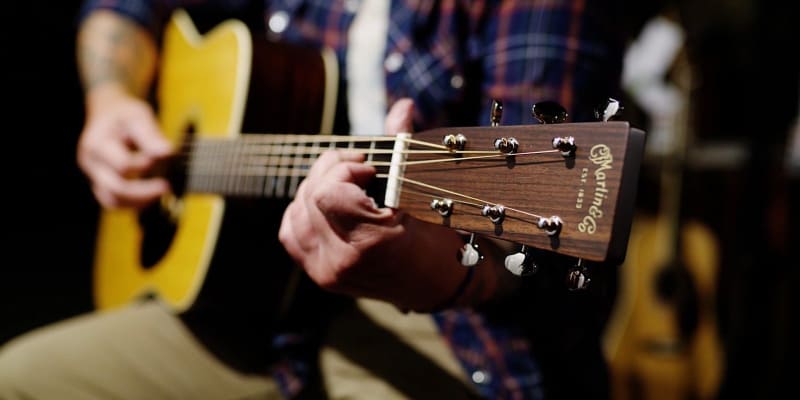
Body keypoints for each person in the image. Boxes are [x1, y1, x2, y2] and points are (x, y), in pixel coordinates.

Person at [0, 1, 629, 399]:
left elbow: (533, 256)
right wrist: (111, 98)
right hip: (253, 306)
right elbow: (126, 7)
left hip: (449, 335)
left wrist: (423, 270)